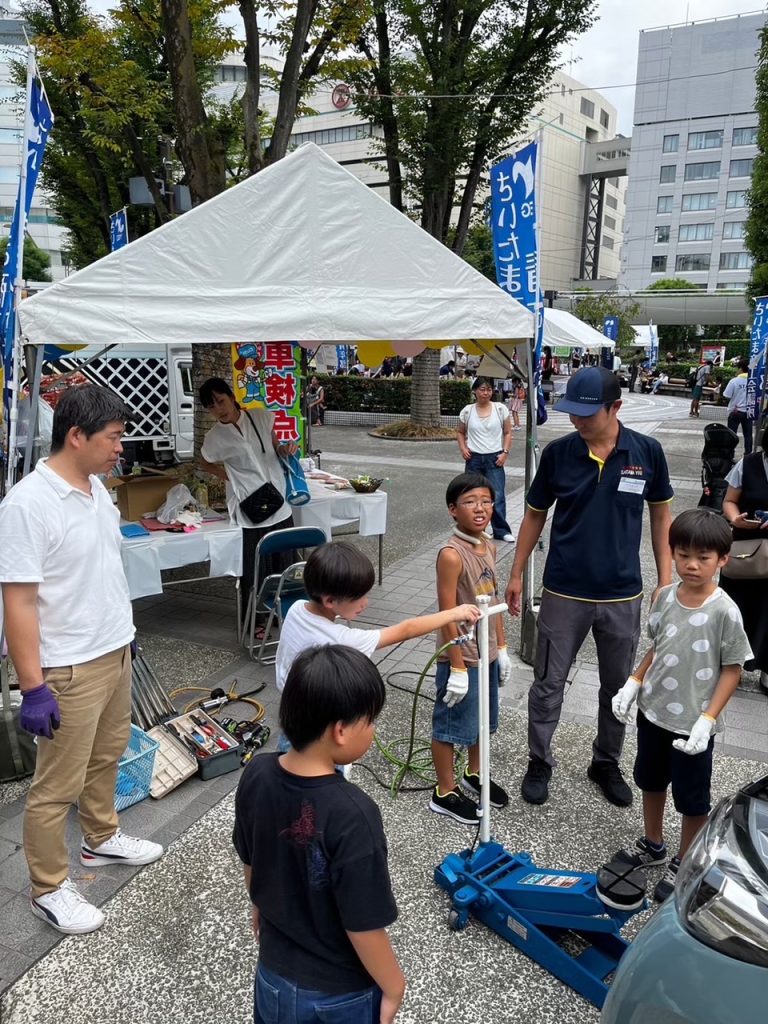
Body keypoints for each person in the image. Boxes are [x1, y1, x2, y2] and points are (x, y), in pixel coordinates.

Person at [0, 385, 163, 935]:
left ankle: (101, 838)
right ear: (76, 436)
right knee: (55, 786)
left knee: (107, 753)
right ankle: (48, 888)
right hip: (69, 667)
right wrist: (33, 687)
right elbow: (18, 602)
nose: (121, 448)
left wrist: (124, 632)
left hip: (113, 649)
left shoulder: (96, 490)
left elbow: (102, 571)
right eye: (114, 438)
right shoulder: (27, 505)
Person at [505, 366, 674, 807]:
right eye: (572, 412)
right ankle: (539, 760)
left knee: (617, 686)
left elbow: (661, 516)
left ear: (615, 407)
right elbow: (535, 514)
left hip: (622, 593)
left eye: (587, 413)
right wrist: (517, 571)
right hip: (564, 591)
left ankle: (605, 762)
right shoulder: (559, 453)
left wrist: (666, 580)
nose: (577, 421)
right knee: (548, 682)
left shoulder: (647, 452)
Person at [234, 645, 406, 1024]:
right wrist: (395, 986)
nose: (374, 730)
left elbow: (251, 857)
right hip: (338, 995)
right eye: (371, 721)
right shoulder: (354, 814)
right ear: (340, 731)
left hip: (272, 976)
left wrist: (260, 904)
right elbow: (362, 923)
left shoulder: (256, 774)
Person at [611, 509, 751, 902]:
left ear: (722, 559)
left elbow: (733, 669)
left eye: (703, 557)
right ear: (671, 552)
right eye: (683, 554)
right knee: (650, 780)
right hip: (654, 710)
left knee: (692, 798)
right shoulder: (664, 596)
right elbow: (658, 646)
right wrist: (634, 682)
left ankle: (685, 860)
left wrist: (708, 719)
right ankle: (653, 842)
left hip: (693, 723)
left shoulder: (725, 610)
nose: (691, 564)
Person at [275, 540, 480, 696]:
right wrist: (454, 613)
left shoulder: (296, 608)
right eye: (358, 597)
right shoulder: (341, 641)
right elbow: (406, 630)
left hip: (290, 708)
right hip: (317, 725)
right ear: (329, 600)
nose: (365, 603)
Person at [430, 473, 512, 825]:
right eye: (470, 502)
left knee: (483, 720)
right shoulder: (452, 554)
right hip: (461, 655)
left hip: (487, 652)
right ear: (453, 509)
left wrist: (502, 648)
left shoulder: (488, 544)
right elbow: (446, 612)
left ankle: (474, 773)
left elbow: (492, 599)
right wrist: (458, 667)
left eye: (486, 501)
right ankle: (444, 791)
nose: (480, 509)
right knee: (450, 725)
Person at [198, 377, 296, 628]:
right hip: (249, 506)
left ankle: (285, 613)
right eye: (211, 406)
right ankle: (255, 622)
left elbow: (275, 447)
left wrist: (285, 450)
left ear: (232, 397)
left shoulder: (261, 416)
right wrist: (230, 477)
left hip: (278, 498)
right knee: (254, 568)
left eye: (221, 401)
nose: (219, 409)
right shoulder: (214, 437)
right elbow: (205, 462)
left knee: (284, 562)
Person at [720, 428, 768, 694]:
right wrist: (735, 518)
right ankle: (731, 665)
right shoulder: (748, 464)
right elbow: (729, 500)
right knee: (735, 608)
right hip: (744, 551)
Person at [457, 376, 515, 544]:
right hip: (473, 459)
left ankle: (501, 530)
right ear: (475, 391)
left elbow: (508, 432)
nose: (486, 393)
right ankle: (474, 529)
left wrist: (505, 453)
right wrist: (463, 448)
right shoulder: (467, 411)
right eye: (482, 389)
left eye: (489, 389)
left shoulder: (500, 409)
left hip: (494, 458)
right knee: (472, 494)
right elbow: (460, 432)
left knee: (498, 495)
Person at [723, 358, 753, 454]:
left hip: (735, 412)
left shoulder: (734, 381)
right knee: (748, 435)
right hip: (748, 412)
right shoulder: (753, 381)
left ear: (740, 368)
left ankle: (729, 454)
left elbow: (726, 395)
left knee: (731, 435)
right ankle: (748, 455)